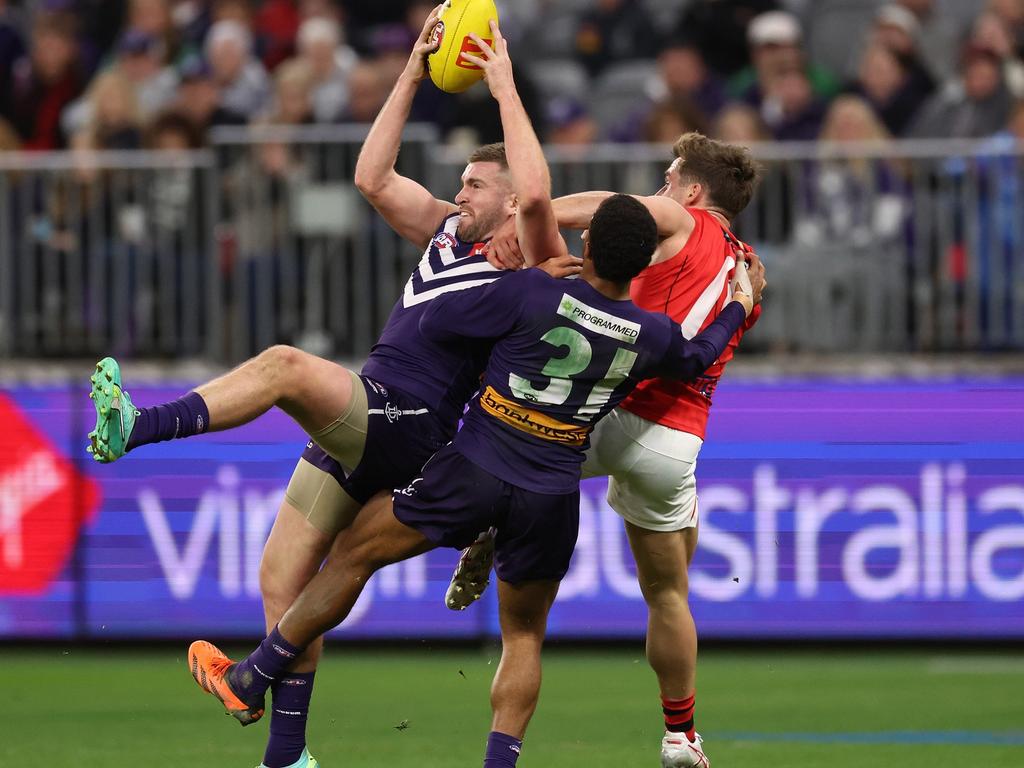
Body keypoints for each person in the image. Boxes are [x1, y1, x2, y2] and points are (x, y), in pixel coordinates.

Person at [185, 24, 764, 768]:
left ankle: (258, 670)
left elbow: (456, 310)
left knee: (354, 551)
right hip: (592, 469)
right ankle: (675, 732)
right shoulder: (652, 326)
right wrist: (738, 307)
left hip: (486, 461)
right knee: (573, 620)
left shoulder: (534, 289)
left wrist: (518, 252)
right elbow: (691, 357)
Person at [87, 8, 575, 768]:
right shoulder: (449, 229)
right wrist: (413, 70)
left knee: (284, 365)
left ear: (512, 198)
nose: (463, 191)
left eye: (478, 183)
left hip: (415, 422)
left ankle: (134, 425)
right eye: (464, 182)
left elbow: (542, 198)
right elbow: (370, 177)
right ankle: (288, 756)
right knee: (283, 581)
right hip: (369, 417)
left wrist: (505, 87)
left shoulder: (531, 257)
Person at [451, 130, 764, 768]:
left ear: (695, 189)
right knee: (669, 593)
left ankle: (486, 526)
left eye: (669, 177)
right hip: (676, 442)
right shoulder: (749, 270)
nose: (661, 188)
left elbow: (614, 210)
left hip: (609, 406)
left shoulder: (683, 217)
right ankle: (681, 735)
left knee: (513, 450)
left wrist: (528, 214)